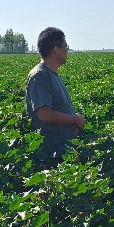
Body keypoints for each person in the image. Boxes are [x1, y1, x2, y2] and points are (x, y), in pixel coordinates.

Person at [25, 27, 86, 159]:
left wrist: (73, 122)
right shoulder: (40, 76)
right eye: (65, 46)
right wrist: (75, 119)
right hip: (52, 152)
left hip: (64, 148)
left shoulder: (52, 74)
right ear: (56, 49)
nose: (67, 50)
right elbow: (45, 115)